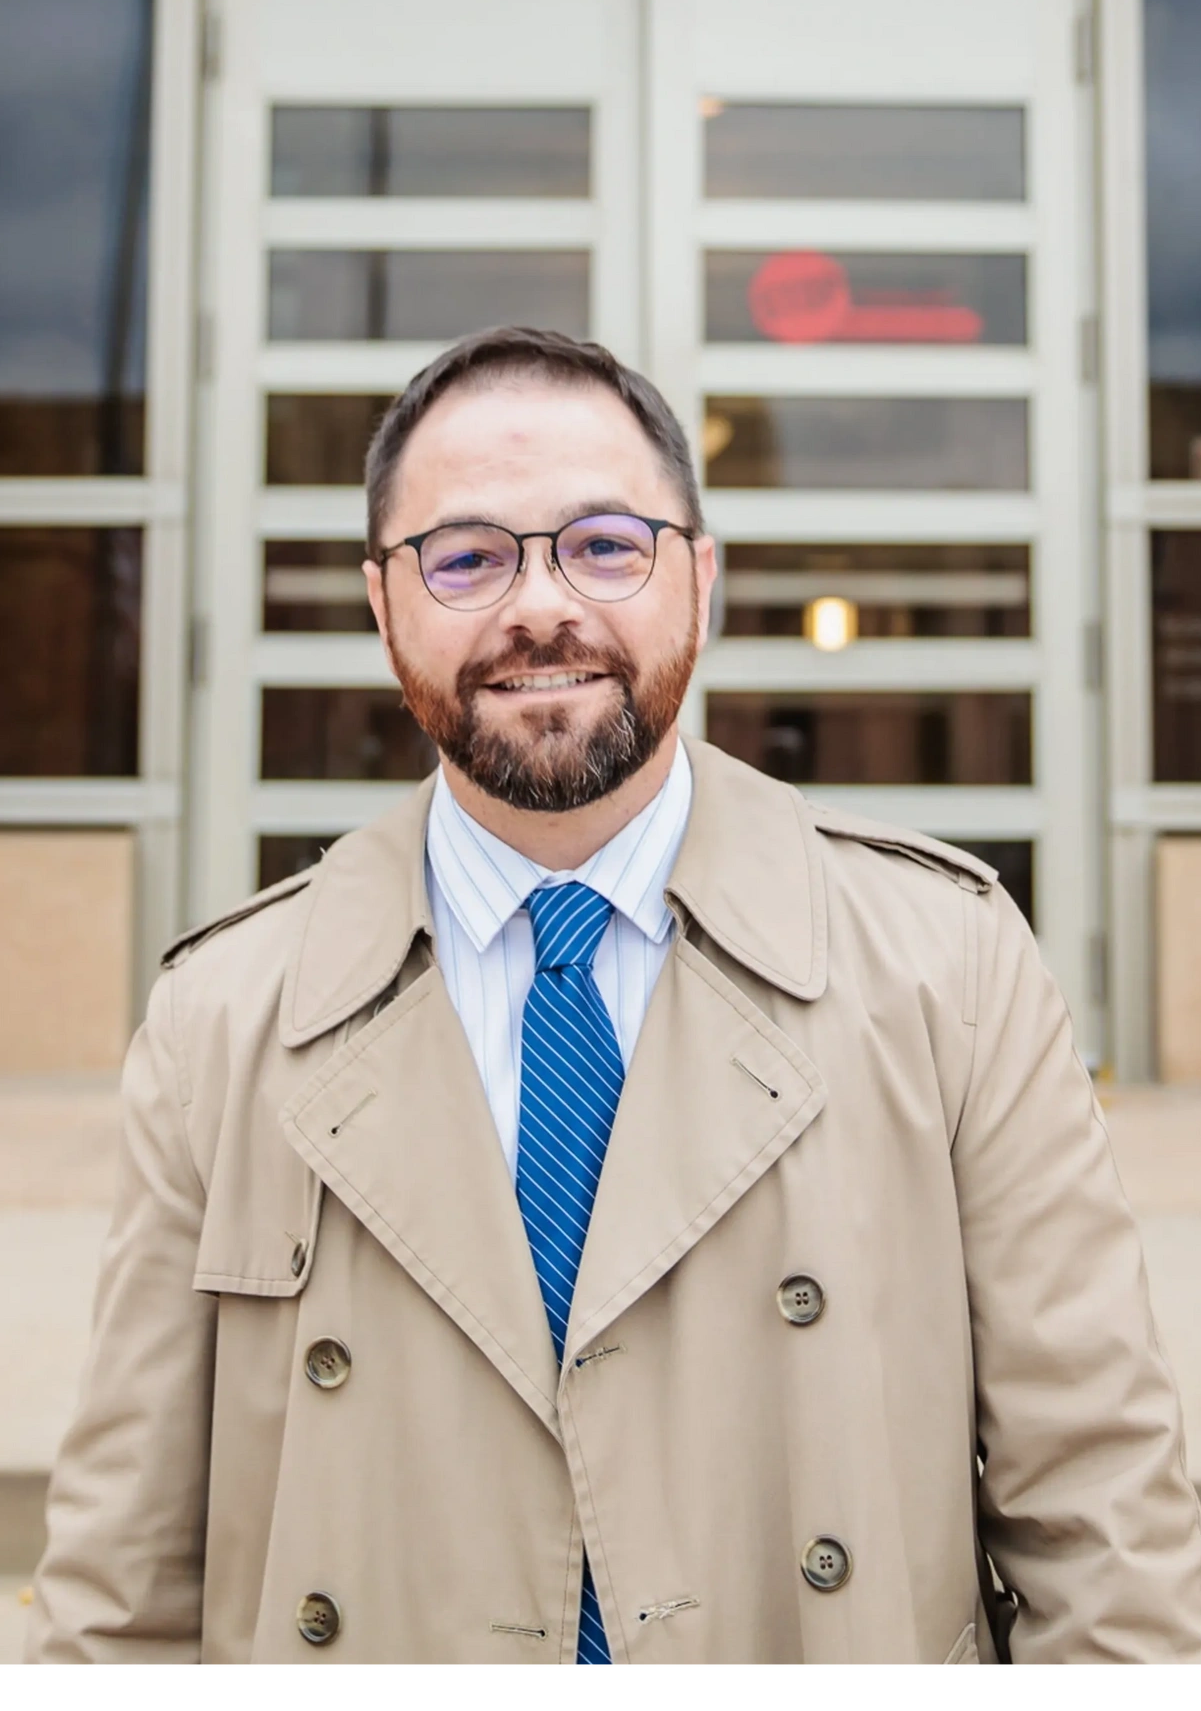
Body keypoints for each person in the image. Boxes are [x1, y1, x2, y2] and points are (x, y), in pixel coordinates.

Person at [28, 326, 1201, 1667]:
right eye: (466, 555)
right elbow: (119, 1595)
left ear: (699, 576)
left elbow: (1105, 1525)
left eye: (603, 542)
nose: (541, 606)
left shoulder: (951, 967)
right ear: (381, 601)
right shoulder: (221, 1019)